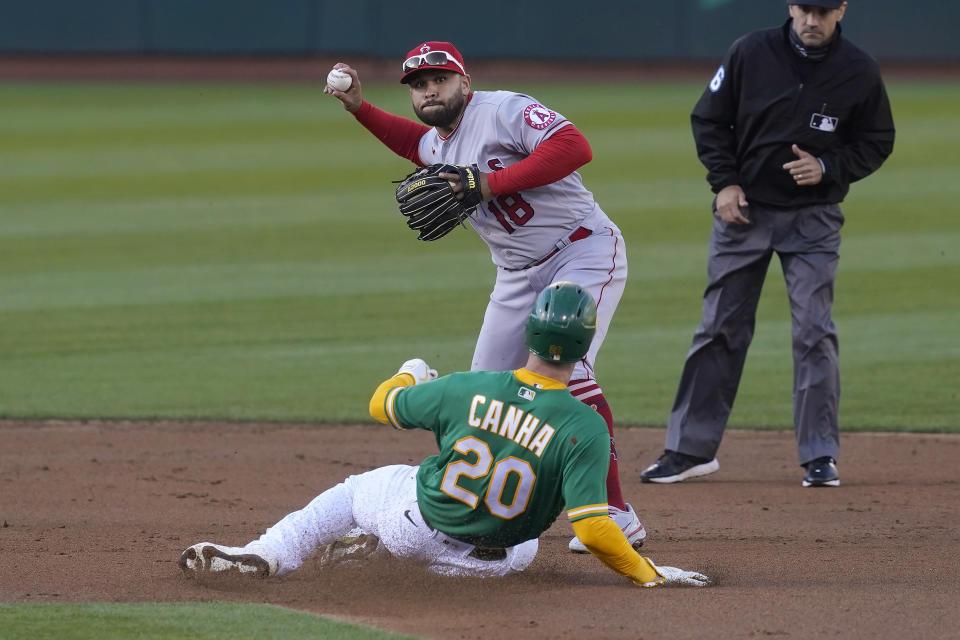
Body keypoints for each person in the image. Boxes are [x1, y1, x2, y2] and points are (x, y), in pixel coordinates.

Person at [323, 41, 642, 551]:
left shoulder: (504, 110)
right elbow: (414, 144)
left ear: (464, 82)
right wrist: (360, 108)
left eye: (440, 80)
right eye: (420, 86)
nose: (430, 91)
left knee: (570, 369)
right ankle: (473, 518)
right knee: (483, 397)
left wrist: (488, 184)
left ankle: (615, 512)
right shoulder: (436, 142)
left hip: (580, 250)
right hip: (515, 276)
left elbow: (575, 146)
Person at [179, 282, 709, 588]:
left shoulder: (466, 388)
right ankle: (375, 559)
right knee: (523, 532)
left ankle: (268, 553)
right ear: (584, 345)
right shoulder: (586, 426)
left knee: (367, 484)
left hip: (414, 526)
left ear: (528, 333)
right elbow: (593, 530)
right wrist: (650, 575)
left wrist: (412, 371)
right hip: (496, 565)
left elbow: (381, 404)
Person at [640, 1, 894, 487]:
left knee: (813, 331)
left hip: (814, 219)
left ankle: (819, 455)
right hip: (744, 212)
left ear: (842, 10)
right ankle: (690, 449)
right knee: (719, 328)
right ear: (791, 7)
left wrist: (830, 167)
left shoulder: (859, 69)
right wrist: (725, 183)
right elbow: (710, 120)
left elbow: (878, 138)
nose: (812, 21)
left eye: (824, 11)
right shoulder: (750, 51)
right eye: (805, 9)